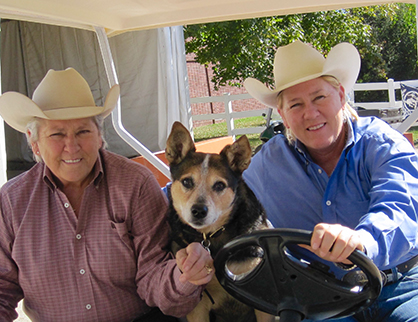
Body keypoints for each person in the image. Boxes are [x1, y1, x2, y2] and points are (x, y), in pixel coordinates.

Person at [0, 68, 214, 322]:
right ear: (34, 142)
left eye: (83, 131)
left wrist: (183, 275)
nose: (72, 146)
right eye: (57, 134)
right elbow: (3, 287)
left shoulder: (135, 183)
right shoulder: (12, 202)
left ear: (100, 136)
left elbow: (152, 272)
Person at [243, 40, 418, 321]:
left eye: (319, 98)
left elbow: (400, 209)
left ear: (340, 95)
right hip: (323, 295)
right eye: (296, 104)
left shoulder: (383, 144)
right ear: (283, 116)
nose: (310, 113)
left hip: (402, 284)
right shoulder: (267, 163)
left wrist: (361, 240)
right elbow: (199, 193)